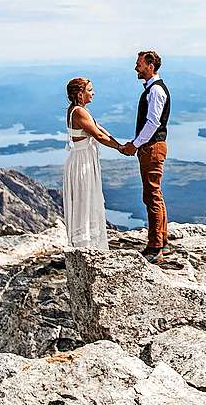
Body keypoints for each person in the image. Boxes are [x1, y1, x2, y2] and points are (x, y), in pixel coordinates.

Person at [118, 50, 171, 259]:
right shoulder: (153, 89)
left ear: (150, 65)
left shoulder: (155, 91)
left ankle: (155, 247)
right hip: (152, 147)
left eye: (139, 64)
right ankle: (161, 240)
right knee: (154, 194)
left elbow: (153, 123)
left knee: (151, 195)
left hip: (152, 147)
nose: (135, 68)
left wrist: (135, 144)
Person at [63, 77, 122, 250]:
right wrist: (120, 148)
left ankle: (88, 244)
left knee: (87, 198)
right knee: (84, 200)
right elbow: (99, 136)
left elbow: (100, 129)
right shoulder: (79, 112)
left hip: (83, 159)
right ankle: (85, 245)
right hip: (82, 163)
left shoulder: (79, 110)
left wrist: (120, 144)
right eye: (90, 90)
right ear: (80, 94)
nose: (93, 93)